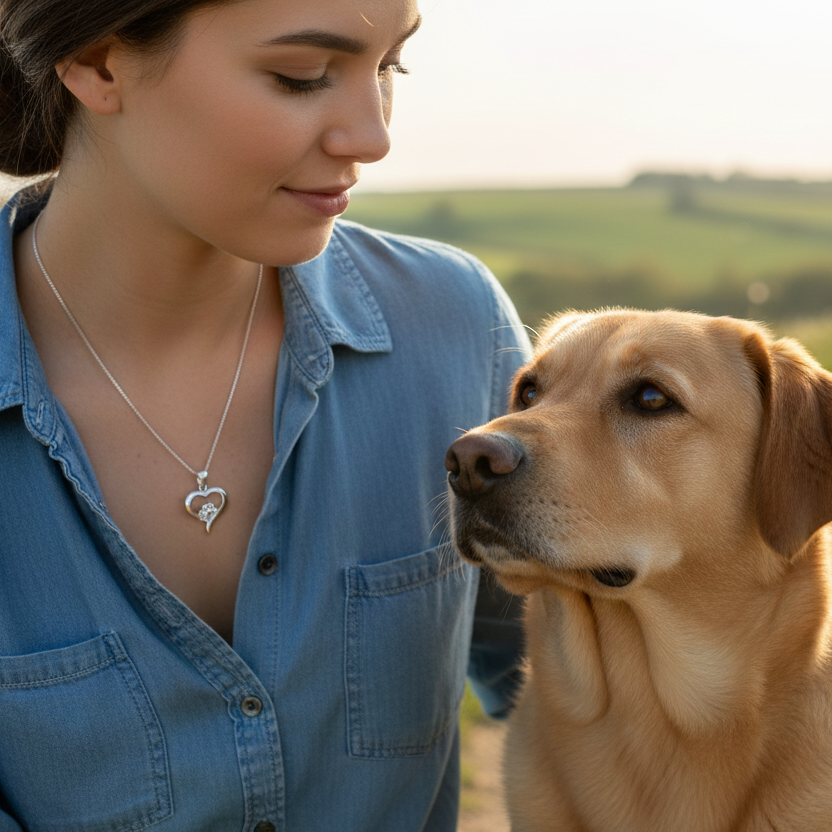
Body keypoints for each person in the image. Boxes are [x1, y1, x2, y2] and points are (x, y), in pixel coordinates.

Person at [0, 0, 530, 829]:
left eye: (389, 67)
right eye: (302, 76)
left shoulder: (454, 328)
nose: (373, 137)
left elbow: (582, 683)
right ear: (99, 64)